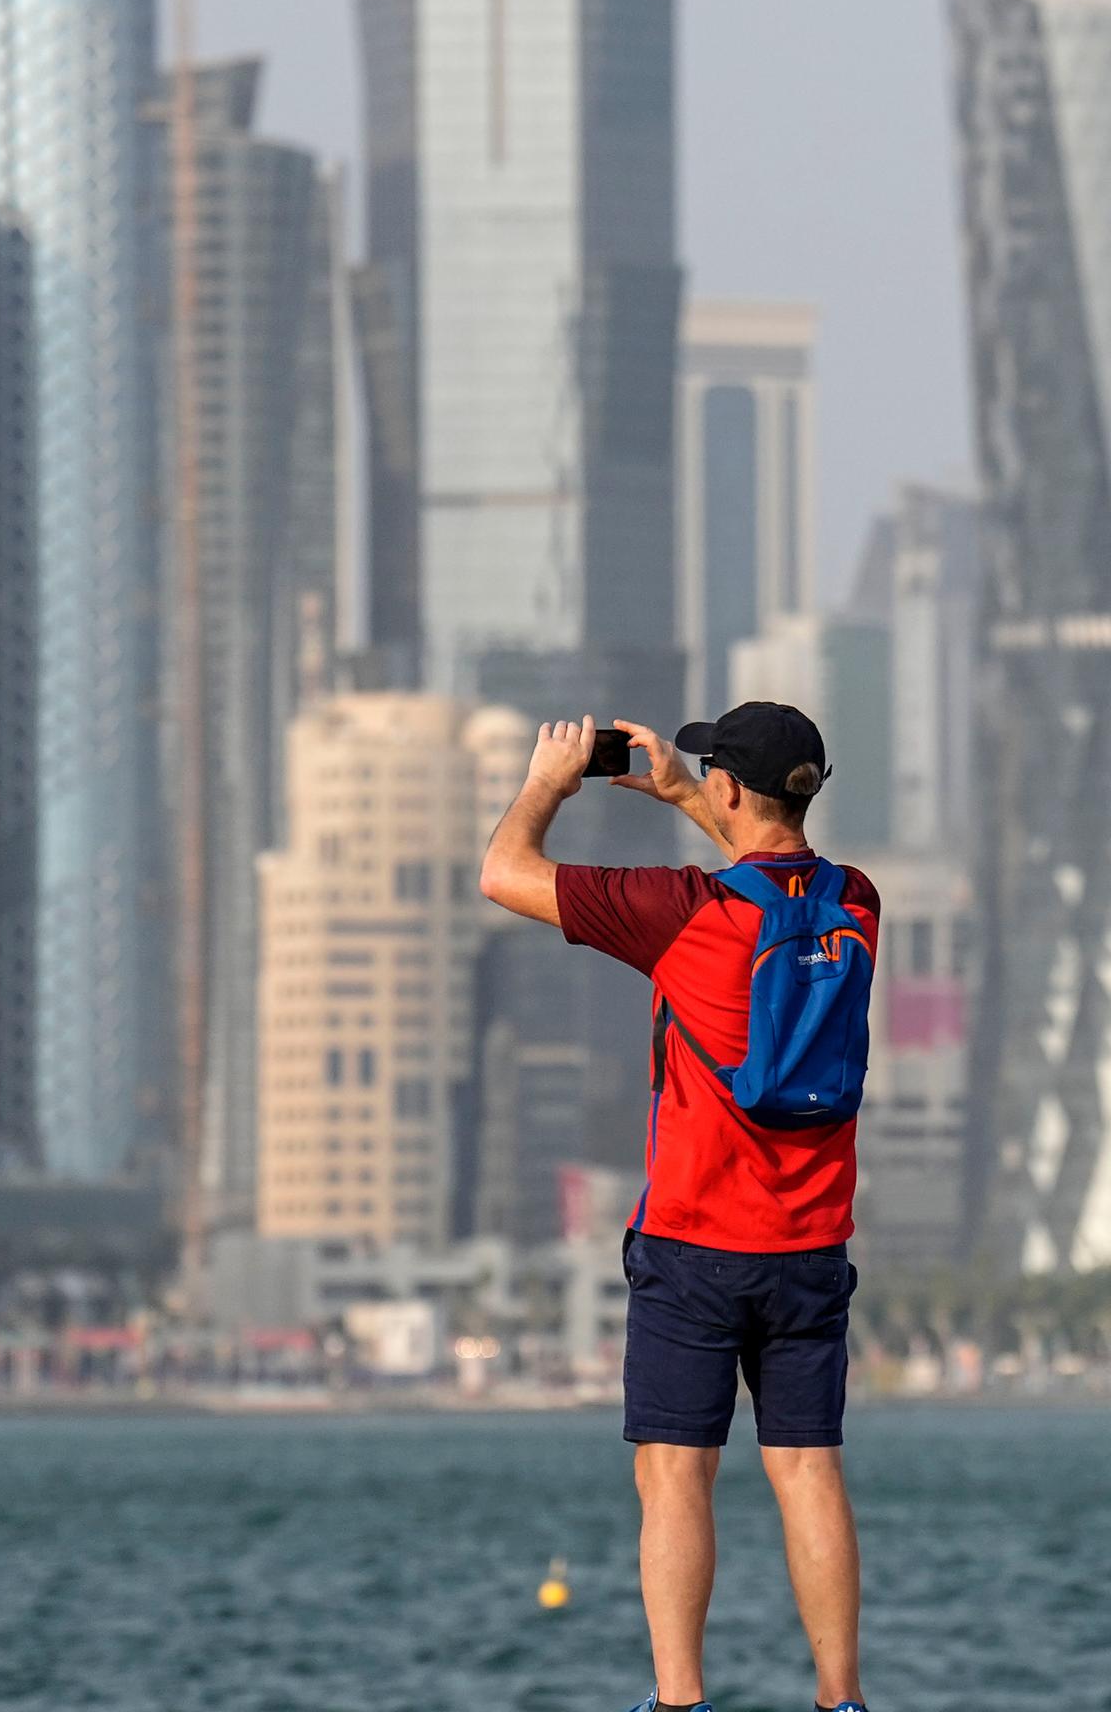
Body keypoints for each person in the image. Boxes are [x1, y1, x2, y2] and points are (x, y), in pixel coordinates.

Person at [480, 700, 881, 1712]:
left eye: (716, 776)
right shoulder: (859, 905)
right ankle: (842, 1701)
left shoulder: (682, 910)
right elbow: (778, 869)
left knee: (675, 1475)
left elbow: (504, 874)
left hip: (695, 1243)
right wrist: (688, 797)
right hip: (812, 1247)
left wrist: (550, 782)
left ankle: (678, 1702)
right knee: (807, 1472)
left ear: (732, 788)